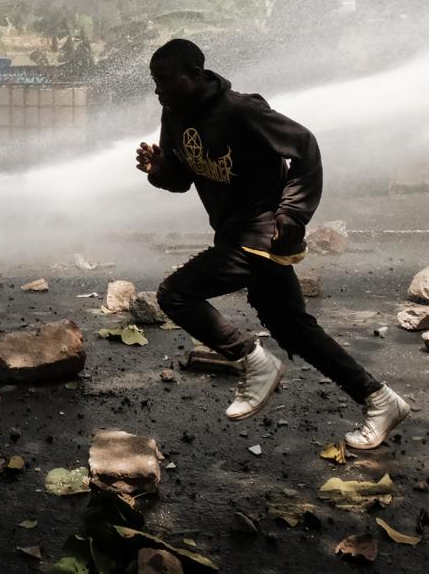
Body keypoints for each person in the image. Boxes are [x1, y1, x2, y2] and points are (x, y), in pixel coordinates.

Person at [138, 38, 409, 450]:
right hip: (233, 233)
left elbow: (305, 146)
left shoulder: (241, 111)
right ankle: (379, 399)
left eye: (166, 82)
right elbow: (182, 176)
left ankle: (252, 361)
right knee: (292, 328)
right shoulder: (174, 114)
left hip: (261, 234)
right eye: (154, 84)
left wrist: (293, 214)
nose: (159, 91)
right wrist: (159, 170)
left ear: (194, 75)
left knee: (175, 295)